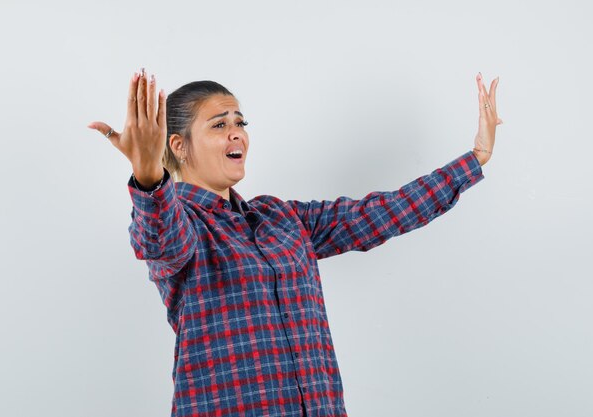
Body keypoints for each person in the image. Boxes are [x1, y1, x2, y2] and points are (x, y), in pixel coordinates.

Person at [87, 68, 502, 417]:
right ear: (178, 146)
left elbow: (379, 213)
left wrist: (474, 158)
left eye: (240, 122)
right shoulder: (183, 224)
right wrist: (147, 177)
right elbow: (158, 238)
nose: (236, 134)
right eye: (219, 125)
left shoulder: (280, 218)